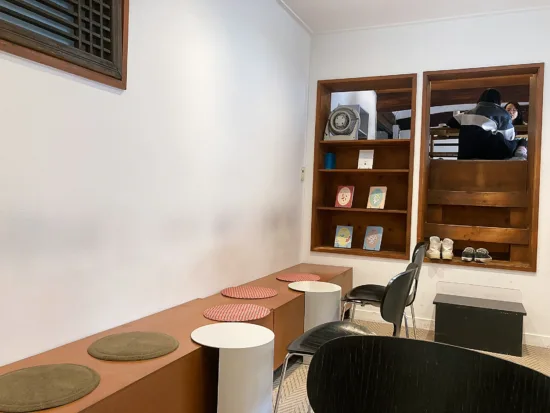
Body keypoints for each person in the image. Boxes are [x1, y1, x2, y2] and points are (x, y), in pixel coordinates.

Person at [447, 89, 526, 160]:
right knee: (520, 141)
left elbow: (451, 122)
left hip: (466, 155)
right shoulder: (503, 115)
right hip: (491, 155)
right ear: (499, 100)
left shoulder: (467, 113)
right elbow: (510, 137)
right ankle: (520, 156)